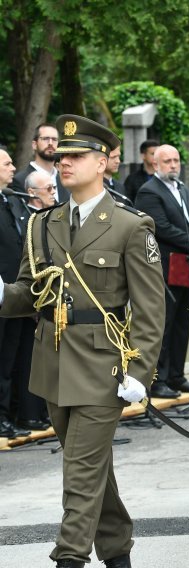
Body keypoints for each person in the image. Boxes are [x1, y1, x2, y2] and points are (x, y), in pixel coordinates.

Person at [0, 114, 165, 568]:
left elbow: (151, 310)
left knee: (79, 468)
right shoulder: (42, 224)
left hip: (103, 364)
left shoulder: (131, 225)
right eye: (60, 156)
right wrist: (1, 294)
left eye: (75, 156)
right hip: (53, 362)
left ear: (102, 162)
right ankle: (118, 551)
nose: (64, 162)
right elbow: (28, 294)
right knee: (90, 464)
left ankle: (69, 556)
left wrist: (140, 372)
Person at [134, 145, 189, 398]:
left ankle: (176, 375)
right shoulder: (149, 191)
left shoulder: (183, 189)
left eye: (176, 160)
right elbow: (160, 227)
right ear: (155, 165)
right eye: (167, 161)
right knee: (163, 324)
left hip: (186, 265)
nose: (174, 165)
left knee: (182, 322)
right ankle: (157, 380)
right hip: (163, 269)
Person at [0, 147, 33, 439]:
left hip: (18, 293)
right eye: (8, 164)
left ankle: (12, 414)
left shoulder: (11, 199)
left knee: (13, 356)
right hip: (1, 293)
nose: (14, 169)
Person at [9, 123, 68, 203]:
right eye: (45, 138)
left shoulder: (66, 179)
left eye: (54, 139)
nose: (50, 143)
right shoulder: (20, 180)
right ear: (34, 145)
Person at [123, 140, 158, 204]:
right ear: (143, 156)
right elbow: (127, 202)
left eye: (158, 154)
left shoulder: (164, 177)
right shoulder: (132, 179)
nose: (156, 156)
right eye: (153, 154)